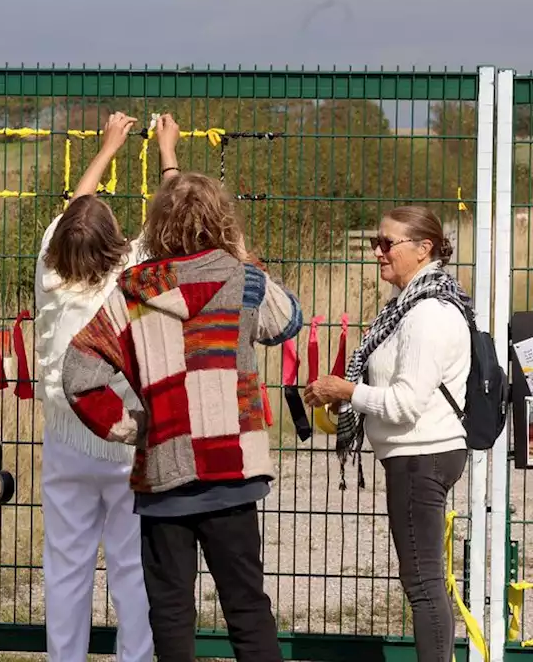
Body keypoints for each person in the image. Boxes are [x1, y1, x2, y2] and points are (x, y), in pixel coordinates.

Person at [59, 114, 302, 662]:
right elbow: (288, 321)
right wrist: (241, 252)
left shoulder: (133, 292)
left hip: (164, 471)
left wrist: (132, 426)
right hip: (231, 471)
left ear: (158, 224)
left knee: (169, 613)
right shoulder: (243, 280)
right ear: (221, 221)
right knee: (247, 607)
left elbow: (79, 372)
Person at [303, 205, 470, 662]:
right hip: (418, 451)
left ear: (423, 249)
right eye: (376, 242)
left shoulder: (427, 314)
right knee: (423, 580)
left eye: (387, 243)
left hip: (421, 453)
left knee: (422, 584)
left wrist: (348, 390)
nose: (378, 252)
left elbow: (405, 402)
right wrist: (350, 395)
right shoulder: (410, 306)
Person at [34, 111, 156, 662]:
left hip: (64, 438)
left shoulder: (49, 272)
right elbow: (165, 223)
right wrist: (164, 152)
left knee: (66, 567)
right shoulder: (131, 274)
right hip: (126, 439)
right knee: (133, 572)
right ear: (114, 239)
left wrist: (106, 148)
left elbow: (68, 219)